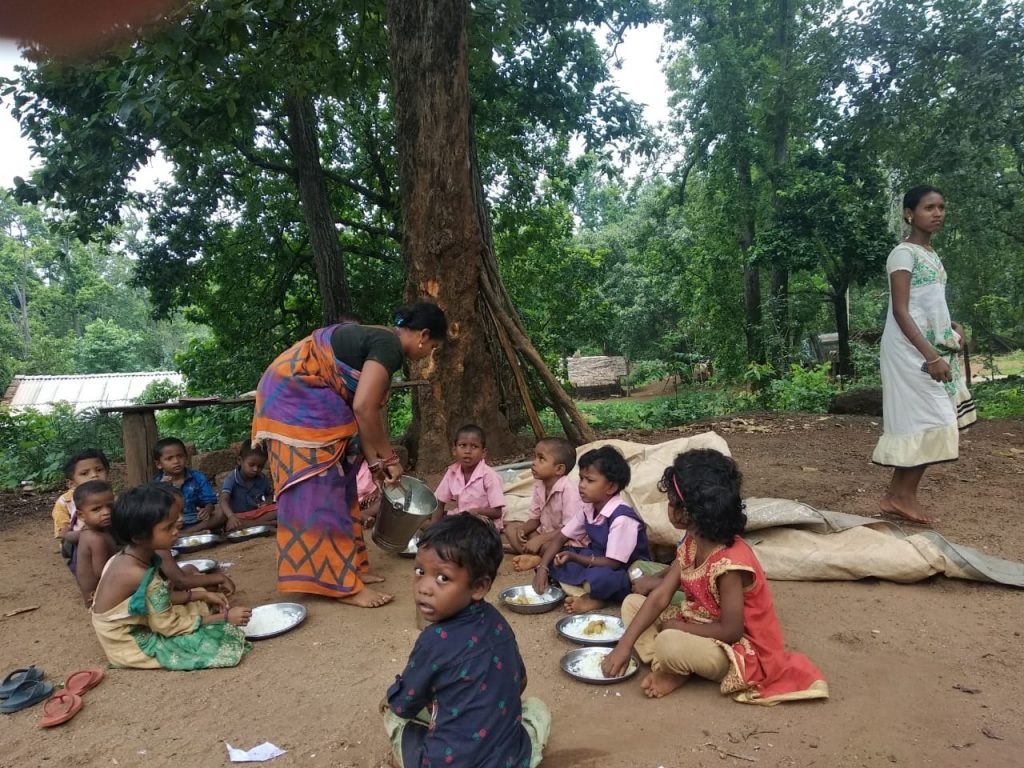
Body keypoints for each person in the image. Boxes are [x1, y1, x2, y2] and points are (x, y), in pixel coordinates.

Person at [252, 301, 446, 607]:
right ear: (423, 335)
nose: (428, 354)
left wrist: (375, 463)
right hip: (296, 401)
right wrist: (390, 460)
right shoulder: (389, 346)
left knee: (343, 484)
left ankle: (350, 568)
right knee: (322, 491)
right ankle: (341, 586)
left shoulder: (381, 341)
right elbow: (363, 408)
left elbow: (362, 414)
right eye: (433, 347)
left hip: (304, 398)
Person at [601, 449, 829, 705]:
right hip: (698, 621)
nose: (668, 507)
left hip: (737, 648)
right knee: (632, 604)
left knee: (669, 642)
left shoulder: (730, 564)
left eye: (671, 501)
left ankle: (675, 666)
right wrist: (623, 645)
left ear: (688, 513)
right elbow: (661, 596)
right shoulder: (692, 540)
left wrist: (681, 628)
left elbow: (732, 631)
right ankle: (674, 666)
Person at [382, 515, 550, 768]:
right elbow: (520, 682)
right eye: (420, 572)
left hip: (448, 762)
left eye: (442, 578)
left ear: (479, 587)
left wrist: (391, 701)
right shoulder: (497, 621)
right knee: (536, 710)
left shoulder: (434, 640)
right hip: (508, 760)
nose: (424, 587)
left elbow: (404, 704)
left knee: (393, 716)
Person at [872, 185, 977, 524]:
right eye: (929, 207)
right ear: (909, 213)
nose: (938, 213)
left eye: (942, 207)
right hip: (909, 351)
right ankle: (900, 496)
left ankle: (898, 496)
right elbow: (902, 311)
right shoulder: (903, 254)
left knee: (929, 421)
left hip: (928, 347)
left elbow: (928, 304)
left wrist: (951, 327)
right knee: (932, 419)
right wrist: (932, 356)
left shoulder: (931, 254)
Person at [91, 484, 252, 670]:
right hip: (128, 643)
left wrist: (203, 595)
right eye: (168, 527)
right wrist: (224, 618)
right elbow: (169, 627)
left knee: (199, 597)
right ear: (138, 537)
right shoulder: (141, 575)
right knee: (218, 641)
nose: (176, 530)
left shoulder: (124, 557)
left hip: (126, 626)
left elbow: (157, 599)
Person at [531, 445, 649, 614]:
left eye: (590, 481)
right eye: (581, 478)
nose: (582, 485)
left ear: (611, 487)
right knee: (558, 555)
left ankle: (595, 597)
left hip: (624, 569)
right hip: (596, 558)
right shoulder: (588, 508)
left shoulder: (622, 518)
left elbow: (613, 563)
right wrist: (543, 568)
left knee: (603, 578)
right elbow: (560, 538)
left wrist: (574, 557)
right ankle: (582, 586)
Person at [508, 437, 582, 566]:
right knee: (511, 529)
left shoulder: (569, 490)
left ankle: (538, 558)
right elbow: (535, 519)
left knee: (552, 548)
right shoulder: (539, 485)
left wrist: (539, 540)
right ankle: (533, 554)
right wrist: (523, 530)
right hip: (544, 534)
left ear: (559, 469)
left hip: (565, 540)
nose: (534, 463)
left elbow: (569, 529)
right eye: (535, 457)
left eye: (541, 459)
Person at [430, 424, 507, 531]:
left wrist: (475, 512)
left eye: (474, 446)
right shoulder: (452, 472)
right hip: (461, 516)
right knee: (426, 519)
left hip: (483, 522)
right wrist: (433, 530)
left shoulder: (489, 476)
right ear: (454, 450)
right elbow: (439, 502)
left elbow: (497, 512)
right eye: (463, 445)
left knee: (459, 531)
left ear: (483, 453)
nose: (468, 451)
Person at [51, 448, 109, 572]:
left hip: (107, 537)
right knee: (94, 541)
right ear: (71, 483)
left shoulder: (111, 496)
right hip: (76, 542)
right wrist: (90, 535)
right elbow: (63, 533)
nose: (94, 475)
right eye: (84, 473)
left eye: (99, 470)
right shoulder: (65, 502)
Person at [152, 437, 226, 534]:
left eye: (180, 456)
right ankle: (191, 533)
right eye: (169, 458)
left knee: (221, 511)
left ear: (186, 457)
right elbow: (156, 511)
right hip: (174, 522)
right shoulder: (157, 485)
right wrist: (164, 490)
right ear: (159, 464)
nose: (176, 461)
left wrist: (207, 510)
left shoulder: (198, 477)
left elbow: (210, 501)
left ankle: (186, 533)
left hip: (197, 519)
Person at [73, 480, 117, 606]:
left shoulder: (101, 531)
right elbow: (102, 572)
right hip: (98, 597)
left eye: (110, 506)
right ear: (81, 515)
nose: (106, 512)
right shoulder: (96, 539)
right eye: (96, 509)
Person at [218, 440, 276, 530]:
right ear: (240, 461)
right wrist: (231, 516)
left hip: (257, 514)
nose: (255, 469)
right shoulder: (231, 479)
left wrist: (267, 502)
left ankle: (258, 524)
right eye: (251, 465)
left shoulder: (262, 478)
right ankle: (267, 524)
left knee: (279, 509)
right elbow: (223, 500)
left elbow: (271, 495)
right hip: (239, 517)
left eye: (260, 466)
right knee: (232, 524)